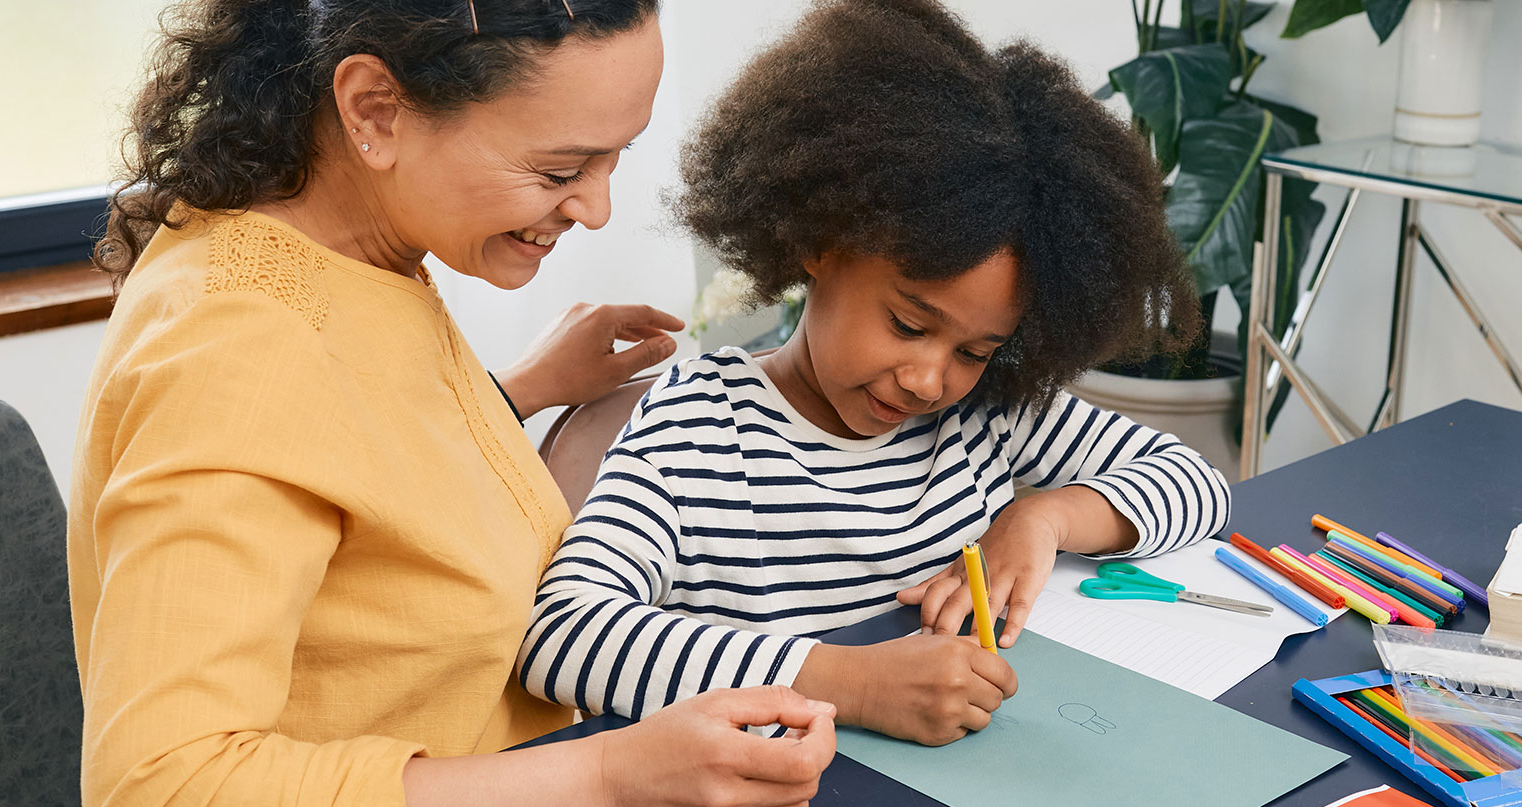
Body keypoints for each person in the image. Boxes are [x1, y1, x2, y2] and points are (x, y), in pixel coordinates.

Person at [72, 0, 833, 807]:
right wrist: (610, 781)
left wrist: (509, 393)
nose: (595, 207)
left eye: (615, 156)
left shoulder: (345, 253)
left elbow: (344, 474)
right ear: (375, 113)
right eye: (560, 167)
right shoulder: (238, 352)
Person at [515, 0, 1228, 747]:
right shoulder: (697, 426)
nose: (929, 380)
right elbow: (562, 634)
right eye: (909, 325)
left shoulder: (988, 414)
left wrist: (1040, 518)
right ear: (821, 244)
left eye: (975, 350)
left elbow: (1194, 483)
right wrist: (849, 683)